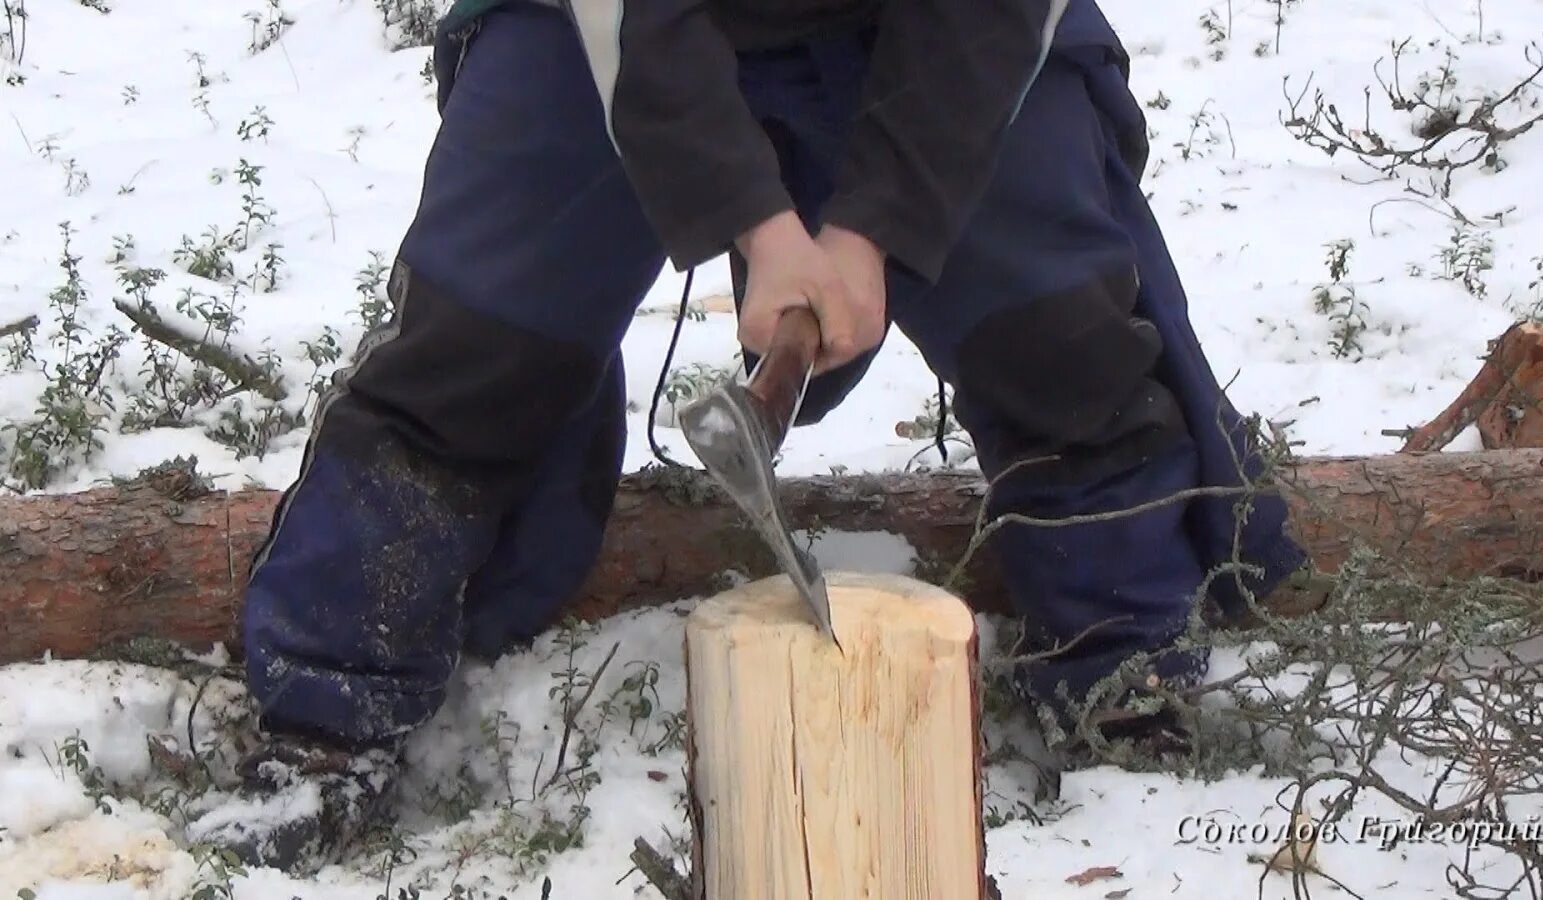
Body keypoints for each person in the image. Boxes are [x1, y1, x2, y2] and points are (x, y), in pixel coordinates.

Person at [186, 0, 1309, 874]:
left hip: (936, 28)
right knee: (481, 346)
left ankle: (1126, 682)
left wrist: (873, 228)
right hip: (605, 24)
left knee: (1060, 335)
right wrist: (759, 222)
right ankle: (325, 722)